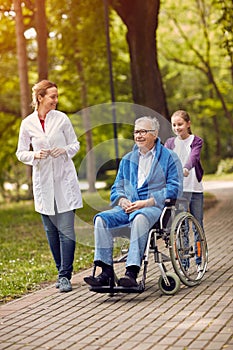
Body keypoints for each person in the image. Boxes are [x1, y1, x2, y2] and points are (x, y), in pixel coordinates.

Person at [84, 116, 183, 288]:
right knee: (101, 219)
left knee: (139, 217)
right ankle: (106, 271)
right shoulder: (127, 159)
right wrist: (122, 200)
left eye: (143, 131)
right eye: (136, 132)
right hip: (128, 207)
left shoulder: (169, 157)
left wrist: (146, 203)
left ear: (155, 134)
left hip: (153, 208)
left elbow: (174, 188)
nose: (138, 135)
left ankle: (131, 272)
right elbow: (116, 187)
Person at [16, 80, 83, 292]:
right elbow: (20, 152)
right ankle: (60, 271)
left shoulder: (61, 119)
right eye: (52, 96)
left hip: (64, 181)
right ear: (40, 98)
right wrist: (35, 155)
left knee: (66, 231)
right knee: (51, 232)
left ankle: (65, 275)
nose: (56, 100)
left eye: (56, 96)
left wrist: (64, 150)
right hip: (43, 183)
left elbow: (75, 144)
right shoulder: (27, 123)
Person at [164, 109, 204, 271]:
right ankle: (185, 264)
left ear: (188, 124)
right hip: (179, 191)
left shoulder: (196, 140)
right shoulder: (170, 143)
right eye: (174, 125)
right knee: (182, 227)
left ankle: (200, 261)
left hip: (194, 188)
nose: (177, 127)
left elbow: (194, 157)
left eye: (180, 124)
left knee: (197, 226)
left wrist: (186, 168)